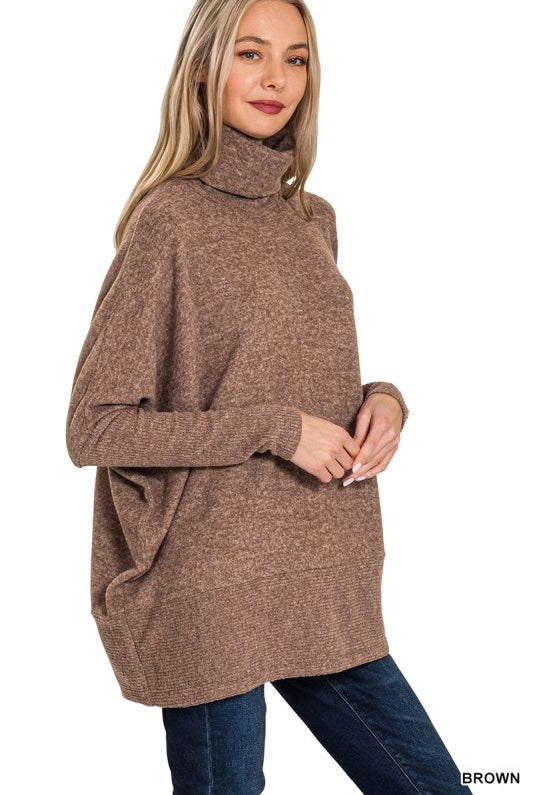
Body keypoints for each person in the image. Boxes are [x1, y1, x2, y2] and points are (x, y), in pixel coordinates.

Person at [65, 0, 473, 792]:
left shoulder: (311, 219)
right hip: (210, 585)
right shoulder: (170, 221)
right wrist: (277, 431)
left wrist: (384, 399)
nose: (275, 78)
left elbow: (281, 368)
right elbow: (94, 427)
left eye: (295, 59)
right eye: (250, 53)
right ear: (202, 70)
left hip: (322, 570)